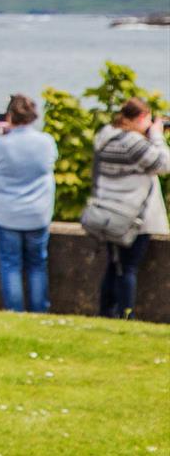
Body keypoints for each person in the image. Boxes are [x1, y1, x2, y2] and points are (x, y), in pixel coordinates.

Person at [90, 99, 170, 319]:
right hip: (133, 215)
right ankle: (127, 314)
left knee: (114, 264)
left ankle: (107, 312)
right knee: (128, 268)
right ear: (140, 118)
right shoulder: (133, 143)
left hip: (109, 211)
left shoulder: (105, 137)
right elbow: (164, 164)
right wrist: (156, 135)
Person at [0, 94, 57, 312]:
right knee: (37, 265)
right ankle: (39, 310)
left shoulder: (1, 145)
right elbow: (50, 163)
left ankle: (14, 311)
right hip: (37, 213)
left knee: (10, 264)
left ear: (10, 116)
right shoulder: (46, 142)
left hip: (7, 214)